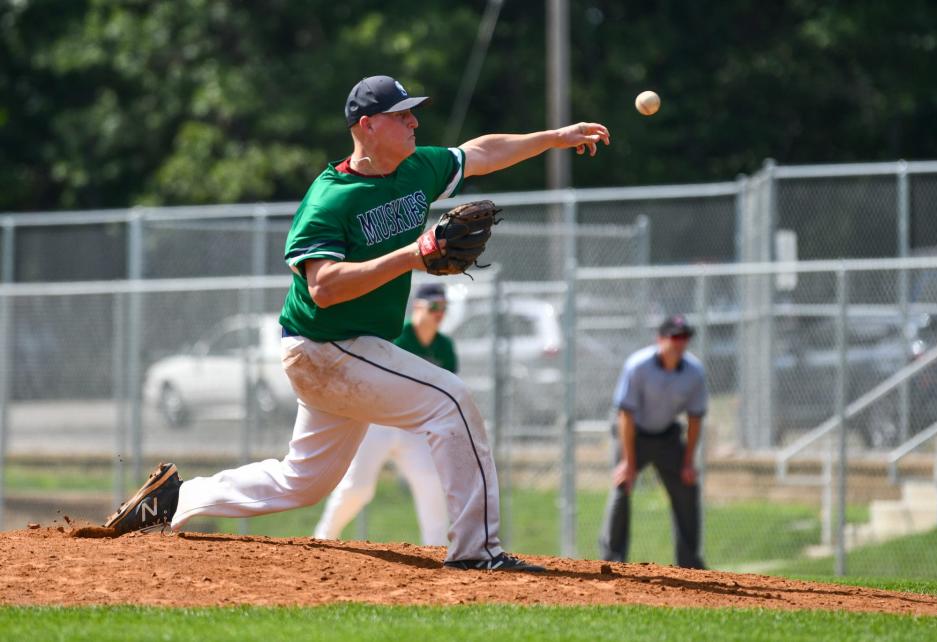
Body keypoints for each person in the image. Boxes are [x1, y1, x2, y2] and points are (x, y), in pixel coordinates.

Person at [105, 74, 610, 572]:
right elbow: (324, 287)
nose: (414, 121)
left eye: (413, 111)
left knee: (302, 481)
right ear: (367, 126)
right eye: (401, 114)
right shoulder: (330, 199)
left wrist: (556, 138)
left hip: (349, 350)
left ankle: (173, 501)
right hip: (324, 347)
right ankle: (477, 551)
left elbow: (478, 152)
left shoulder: (416, 168)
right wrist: (413, 255)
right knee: (451, 401)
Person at [313, 283, 455, 545]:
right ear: (417, 307)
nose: (439, 313)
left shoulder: (444, 346)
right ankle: (323, 540)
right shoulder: (400, 336)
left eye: (444, 308)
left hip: (413, 428)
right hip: (377, 424)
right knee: (357, 488)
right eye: (434, 306)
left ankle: (438, 550)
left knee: (431, 483)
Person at [598, 314, 708, 569]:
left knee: (687, 487)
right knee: (621, 487)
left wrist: (688, 462)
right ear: (660, 339)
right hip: (632, 434)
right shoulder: (638, 366)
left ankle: (690, 563)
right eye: (675, 337)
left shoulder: (694, 372)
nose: (680, 343)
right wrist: (628, 462)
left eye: (685, 338)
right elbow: (625, 414)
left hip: (667, 436)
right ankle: (613, 559)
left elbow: (695, 418)